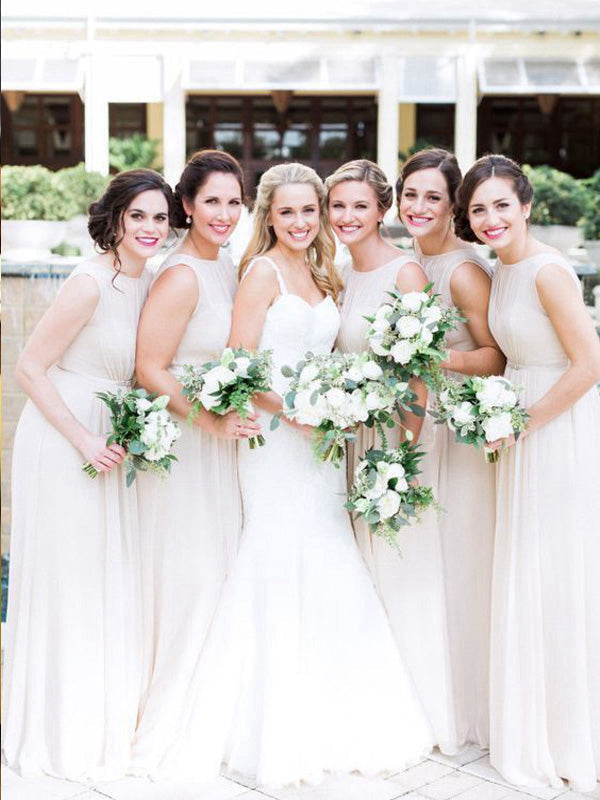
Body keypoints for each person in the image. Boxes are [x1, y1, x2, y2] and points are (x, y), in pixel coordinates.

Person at [136, 162, 433, 787]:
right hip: (277, 443)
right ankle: (267, 722)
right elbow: (241, 364)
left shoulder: (326, 272)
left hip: (321, 441)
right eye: (287, 212)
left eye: (310, 211)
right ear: (267, 216)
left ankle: (338, 709)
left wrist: (334, 406)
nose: (300, 222)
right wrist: (292, 410)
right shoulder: (261, 272)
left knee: (328, 551)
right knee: (278, 554)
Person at [1, 169, 172, 780]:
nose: (151, 228)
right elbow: (28, 367)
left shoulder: (146, 279)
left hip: (109, 434)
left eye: (160, 217)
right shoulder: (89, 282)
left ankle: (101, 719)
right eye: (139, 216)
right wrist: (83, 441)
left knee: (106, 576)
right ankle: (56, 732)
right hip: (64, 435)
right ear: (116, 219)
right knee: (70, 579)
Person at [454, 154, 600, 791]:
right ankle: (528, 720)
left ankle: (566, 733)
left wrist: (527, 420)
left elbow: (589, 363)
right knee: (526, 567)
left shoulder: (545, 271)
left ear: (527, 206)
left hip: (553, 429)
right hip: (517, 422)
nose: (489, 219)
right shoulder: (500, 270)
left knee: (555, 569)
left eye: (500, 206)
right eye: (479, 209)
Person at [131, 150, 260, 772]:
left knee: (220, 571)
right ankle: (171, 712)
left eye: (235, 202)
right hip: (187, 447)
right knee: (192, 575)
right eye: (212, 200)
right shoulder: (181, 274)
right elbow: (149, 369)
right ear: (186, 205)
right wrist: (209, 419)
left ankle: (215, 707)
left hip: (220, 448)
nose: (225, 213)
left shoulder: (228, 267)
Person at [329, 159, 458, 754]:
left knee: (397, 567)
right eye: (338, 205)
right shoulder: (334, 271)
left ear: (382, 210)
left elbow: (420, 370)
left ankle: (416, 709)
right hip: (342, 440)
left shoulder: (405, 274)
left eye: (360, 206)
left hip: (388, 442)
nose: (347, 217)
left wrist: (400, 460)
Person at [396, 148, 505, 749]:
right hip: (418, 420)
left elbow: (495, 356)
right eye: (410, 194)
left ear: (452, 206)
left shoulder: (462, 270)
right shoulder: (410, 261)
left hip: (455, 427)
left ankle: (468, 705)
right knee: (422, 562)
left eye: (432, 197)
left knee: (459, 561)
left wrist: (440, 360)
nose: (418, 206)